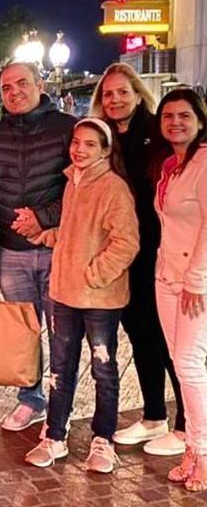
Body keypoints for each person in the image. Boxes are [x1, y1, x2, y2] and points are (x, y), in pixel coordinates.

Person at [24, 118, 139, 473]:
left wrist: (94, 275)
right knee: (60, 368)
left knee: (103, 368)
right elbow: (79, 233)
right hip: (64, 293)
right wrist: (49, 238)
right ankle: (55, 435)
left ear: (105, 150)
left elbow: (126, 243)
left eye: (90, 144)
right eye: (77, 142)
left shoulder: (113, 187)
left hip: (99, 299)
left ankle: (102, 439)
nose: (80, 149)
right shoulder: (74, 181)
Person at [90, 63, 185, 456]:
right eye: (107, 94)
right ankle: (153, 415)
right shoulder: (106, 138)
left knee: (169, 337)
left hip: (159, 250)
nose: (114, 100)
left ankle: (188, 424)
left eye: (122, 92)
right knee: (140, 335)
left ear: (137, 93)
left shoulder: (157, 133)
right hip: (124, 252)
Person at [0, 61, 76, 431]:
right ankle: (30, 399)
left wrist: (43, 217)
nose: (14, 92)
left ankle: (60, 404)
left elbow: (82, 189)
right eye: (5, 87)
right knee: (23, 333)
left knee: (62, 332)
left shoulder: (67, 129)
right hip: (12, 253)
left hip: (57, 248)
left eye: (21, 83)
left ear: (40, 83)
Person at [151, 89, 207, 491]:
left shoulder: (204, 163)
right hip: (166, 276)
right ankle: (192, 447)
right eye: (168, 116)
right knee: (180, 361)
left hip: (194, 282)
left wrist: (196, 280)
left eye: (184, 116)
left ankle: (203, 451)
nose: (176, 123)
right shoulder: (171, 164)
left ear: (200, 120)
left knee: (189, 365)